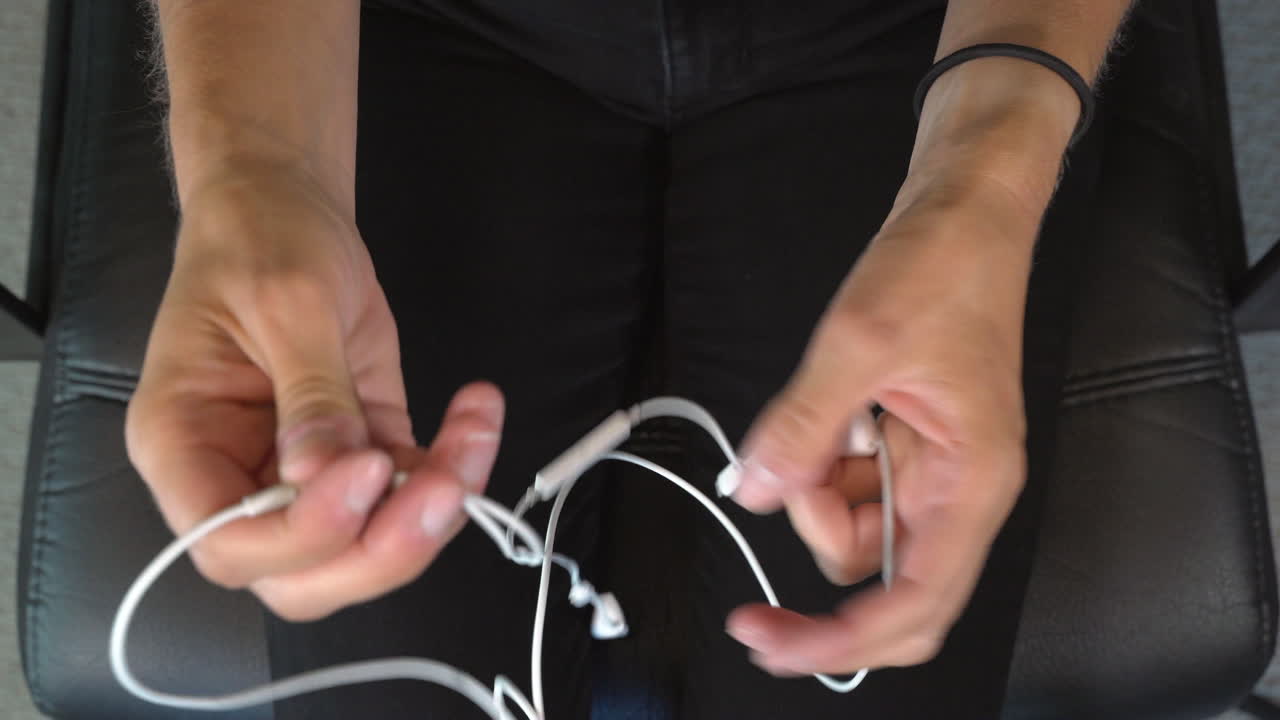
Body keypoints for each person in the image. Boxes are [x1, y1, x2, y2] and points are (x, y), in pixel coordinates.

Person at [126, 0, 1132, 717]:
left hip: (917, 34)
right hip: (413, 26)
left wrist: (988, 175)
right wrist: (255, 165)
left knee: (867, 634)